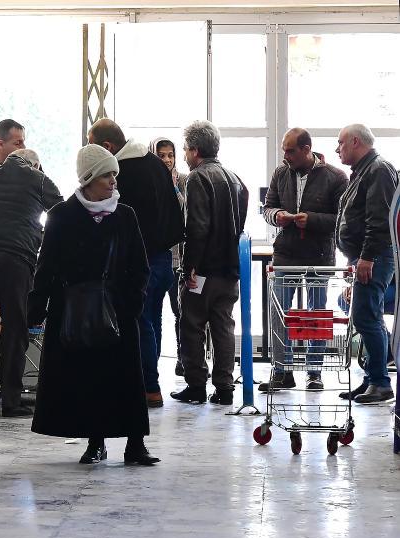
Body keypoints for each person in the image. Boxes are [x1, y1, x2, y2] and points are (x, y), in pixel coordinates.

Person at [27, 144, 159, 465]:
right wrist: (36, 311)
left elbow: (140, 267)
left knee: (127, 377)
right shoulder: (61, 215)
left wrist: (131, 305)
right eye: (106, 176)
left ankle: (135, 444)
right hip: (74, 313)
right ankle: (94, 442)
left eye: (114, 174)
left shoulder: (124, 215)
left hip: (118, 311)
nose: (113, 181)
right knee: (88, 379)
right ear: (88, 180)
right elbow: (46, 268)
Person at [88, 119, 184, 409]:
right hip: (164, 259)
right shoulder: (156, 164)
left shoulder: (121, 172)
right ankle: (148, 383)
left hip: (139, 262)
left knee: (139, 324)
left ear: (107, 147)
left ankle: (148, 386)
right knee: (152, 321)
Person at [0, 148, 63, 417]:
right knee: (14, 328)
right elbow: (62, 212)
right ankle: (11, 401)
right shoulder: (39, 179)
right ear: (35, 164)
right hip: (15, 257)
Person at [260, 128, 348, 392]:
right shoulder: (280, 173)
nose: (285, 156)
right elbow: (267, 208)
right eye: (284, 150)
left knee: (316, 315)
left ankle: (314, 372)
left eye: (290, 151)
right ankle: (282, 371)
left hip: (319, 256)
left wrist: (311, 220)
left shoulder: (335, 177)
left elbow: (342, 220)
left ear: (306, 149)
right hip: (286, 253)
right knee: (280, 314)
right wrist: (277, 216)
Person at [171, 120, 249, 406]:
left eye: (184, 149)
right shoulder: (234, 177)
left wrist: (189, 266)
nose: (183, 155)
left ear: (194, 150)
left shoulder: (196, 178)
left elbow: (197, 227)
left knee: (192, 327)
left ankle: (195, 387)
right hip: (230, 269)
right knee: (223, 328)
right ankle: (225, 389)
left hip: (203, 271)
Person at [334, 124, 399, 404]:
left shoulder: (378, 170)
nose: (337, 149)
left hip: (375, 256)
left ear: (356, 142)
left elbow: (379, 220)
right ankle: (373, 377)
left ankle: (381, 383)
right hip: (364, 257)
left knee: (365, 316)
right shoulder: (364, 171)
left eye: (341, 143)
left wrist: (367, 257)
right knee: (366, 315)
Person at [151, 137, 189, 377]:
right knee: (154, 313)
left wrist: (173, 187)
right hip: (156, 257)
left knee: (181, 313)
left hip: (179, 259)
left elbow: (184, 213)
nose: (166, 159)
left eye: (170, 155)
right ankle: (150, 362)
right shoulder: (148, 180)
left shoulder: (184, 180)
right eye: (161, 155)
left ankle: (183, 359)